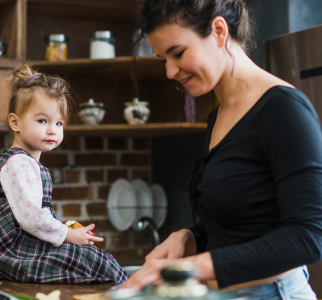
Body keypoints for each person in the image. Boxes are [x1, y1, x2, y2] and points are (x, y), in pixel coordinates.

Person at [123, 0, 322, 298]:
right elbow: (241, 221)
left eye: (177, 53)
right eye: (163, 58)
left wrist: (194, 267)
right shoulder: (218, 115)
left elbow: (309, 236)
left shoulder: (283, 109)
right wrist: (189, 237)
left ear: (218, 31)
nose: (169, 71)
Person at [0, 64, 127, 283]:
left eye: (59, 123)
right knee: (96, 261)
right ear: (15, 122)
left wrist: (64, 229)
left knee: (95, 260)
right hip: (14, 255)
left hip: (19, 252)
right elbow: (32, 218)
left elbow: (30, 216)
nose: (52, 130)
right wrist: (69, 235)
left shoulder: (25, 162)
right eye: (42, 121)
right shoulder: (18, 163)